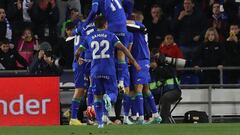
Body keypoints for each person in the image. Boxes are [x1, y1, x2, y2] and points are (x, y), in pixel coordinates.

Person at [75, 16, 140, 128]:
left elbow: (78, 52)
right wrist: (133, 62)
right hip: (108, 69)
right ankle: (108, 98)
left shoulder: (89, 37)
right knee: (113, 93)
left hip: (94, 71)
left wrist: (78, 59)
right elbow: (123, 49)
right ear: (105, 24)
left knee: (97, 97)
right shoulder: (111, 35)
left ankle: (100, 123)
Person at [127, 11, 162, 124]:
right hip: (144, 59)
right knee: (146, 89)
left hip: (140, 60)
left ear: (135, 18)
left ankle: (141, 118)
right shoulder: (139, 30)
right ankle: (156, 115)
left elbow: (124, 23)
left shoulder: (139, 26)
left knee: (139, 88)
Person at [65, 20, 96, 125]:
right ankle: (73, 117)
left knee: (89, 87)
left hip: (82, 61)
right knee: (80, 90)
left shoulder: (80, 28)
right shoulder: (86, 28)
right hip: (80, 62)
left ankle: (89, 117)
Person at [150, 34, 184, 123]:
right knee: (146, 97)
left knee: (165, 98)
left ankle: (163, 121)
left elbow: (168, 73)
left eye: (156, 57)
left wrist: (157, 67)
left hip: (174, 91)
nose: (155, 59)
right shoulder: (150, 69)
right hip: (158, 93)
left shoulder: (167, 64)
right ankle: (147, 118)